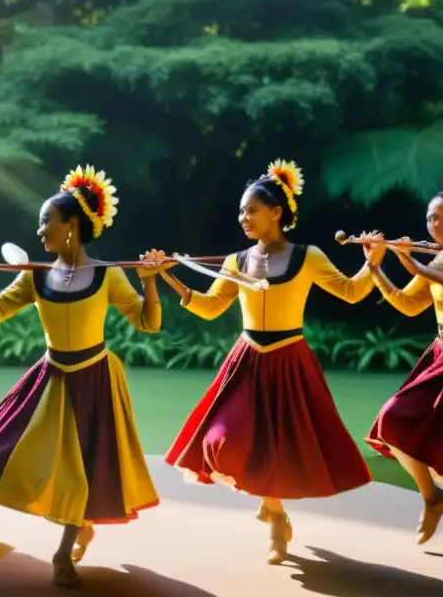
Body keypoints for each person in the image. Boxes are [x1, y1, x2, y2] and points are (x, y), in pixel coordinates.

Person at [0, 165, 163, 589]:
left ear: (72, 224)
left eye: (47, 220)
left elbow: (148, 323)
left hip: (94, 380)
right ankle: (78, 527)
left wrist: (150, 283)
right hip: (51, 378)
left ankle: (63, 554)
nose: (40, 228)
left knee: (82, 469)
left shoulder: (108, 273)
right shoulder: (35, 275)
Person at [152, 159, 378, 565]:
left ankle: (275, 518)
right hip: (247, 362)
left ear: (277, 212)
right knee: (222, 442)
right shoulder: (236, 261)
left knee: (279, 450)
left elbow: (350, 292)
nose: (243, 218)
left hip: (289, 361)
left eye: (251, 210)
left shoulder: (308, 256)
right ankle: (274, 508)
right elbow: (209, 307)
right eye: (241, 211)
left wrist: (372, 262)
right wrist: (171, 277)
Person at [365, 194, 443, 544]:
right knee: (392, 420)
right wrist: (375, 267)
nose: (435, 225)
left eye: (442, 218)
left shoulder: (433, 264)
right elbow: (408, 305)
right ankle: (432, 496)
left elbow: (428, 273)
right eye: (430, 218)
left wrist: (407, 257)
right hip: (441, 355)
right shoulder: (437, 259)